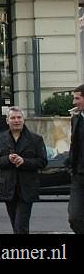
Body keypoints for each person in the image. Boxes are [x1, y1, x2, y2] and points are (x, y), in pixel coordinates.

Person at [0, 106, 48, 234]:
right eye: (13, 118)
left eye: (19, 117)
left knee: (20, 226)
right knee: (15, 225)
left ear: (23, 119)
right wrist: (8, 159)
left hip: (27, 188)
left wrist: (24, 161)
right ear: (7, 121)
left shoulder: (36, 139)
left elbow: (43, 162)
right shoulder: (1, 139)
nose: (16, 120)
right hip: (8, 189)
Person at [69, 84, 84, 234]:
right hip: (79, 176)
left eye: (77, 98)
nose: (74, 102)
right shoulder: (75, 119)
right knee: (74, 217)